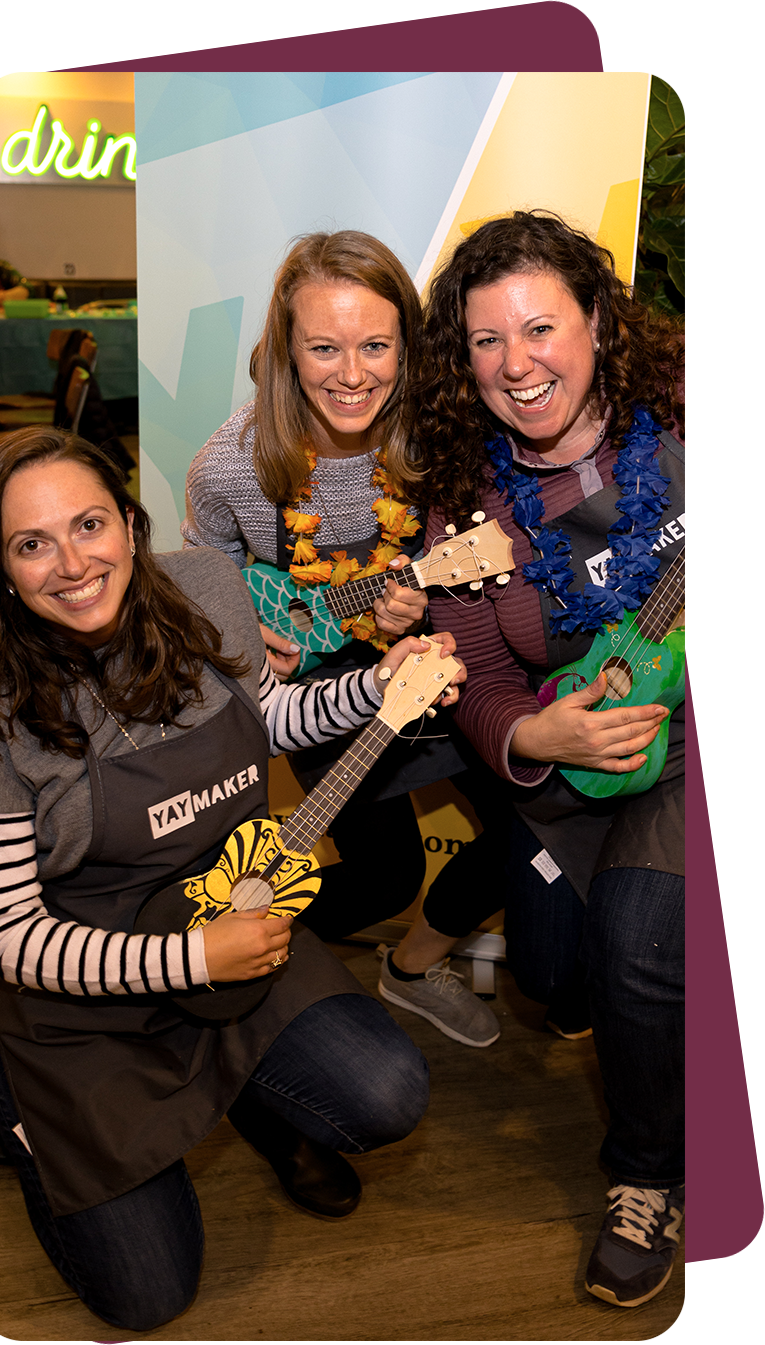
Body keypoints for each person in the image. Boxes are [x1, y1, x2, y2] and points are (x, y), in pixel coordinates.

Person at [0, 426, 464, 1331]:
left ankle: (245, 1086)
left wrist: (375, 687)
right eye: (30, 543)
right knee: (149, 1297)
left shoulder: (203, 587)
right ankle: (25, 1118)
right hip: (85, 989)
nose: (70, 562)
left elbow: (264, 718)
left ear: (130, 524)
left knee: (386, 1091)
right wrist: (187, 958)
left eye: (89, 524)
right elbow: (11, 933)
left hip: (234, 916)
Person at [379, 211, 685, 1308]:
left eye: (540, 327)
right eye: (483, 341)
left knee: (639, 943)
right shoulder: (465, 492)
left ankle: (645, 1176)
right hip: (560, 762)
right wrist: (526, 735)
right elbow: (472, 668)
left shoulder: (675, 416)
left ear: (598, 323)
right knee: (558, 981)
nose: (516, 364)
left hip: (678, 744)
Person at [181, 230, 486, 981]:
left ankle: (415, 966)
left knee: (535, 822)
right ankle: (222, 972)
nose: (351, 375)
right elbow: (202, 567)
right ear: (287, 350)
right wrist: (240, 624)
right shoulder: (232, 463)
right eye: (323, 348)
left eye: (375, 347)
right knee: (383, 876)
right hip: (318, 690)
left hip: (437, 663)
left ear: (407, 348)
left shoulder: (445, 435)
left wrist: (423, 612)